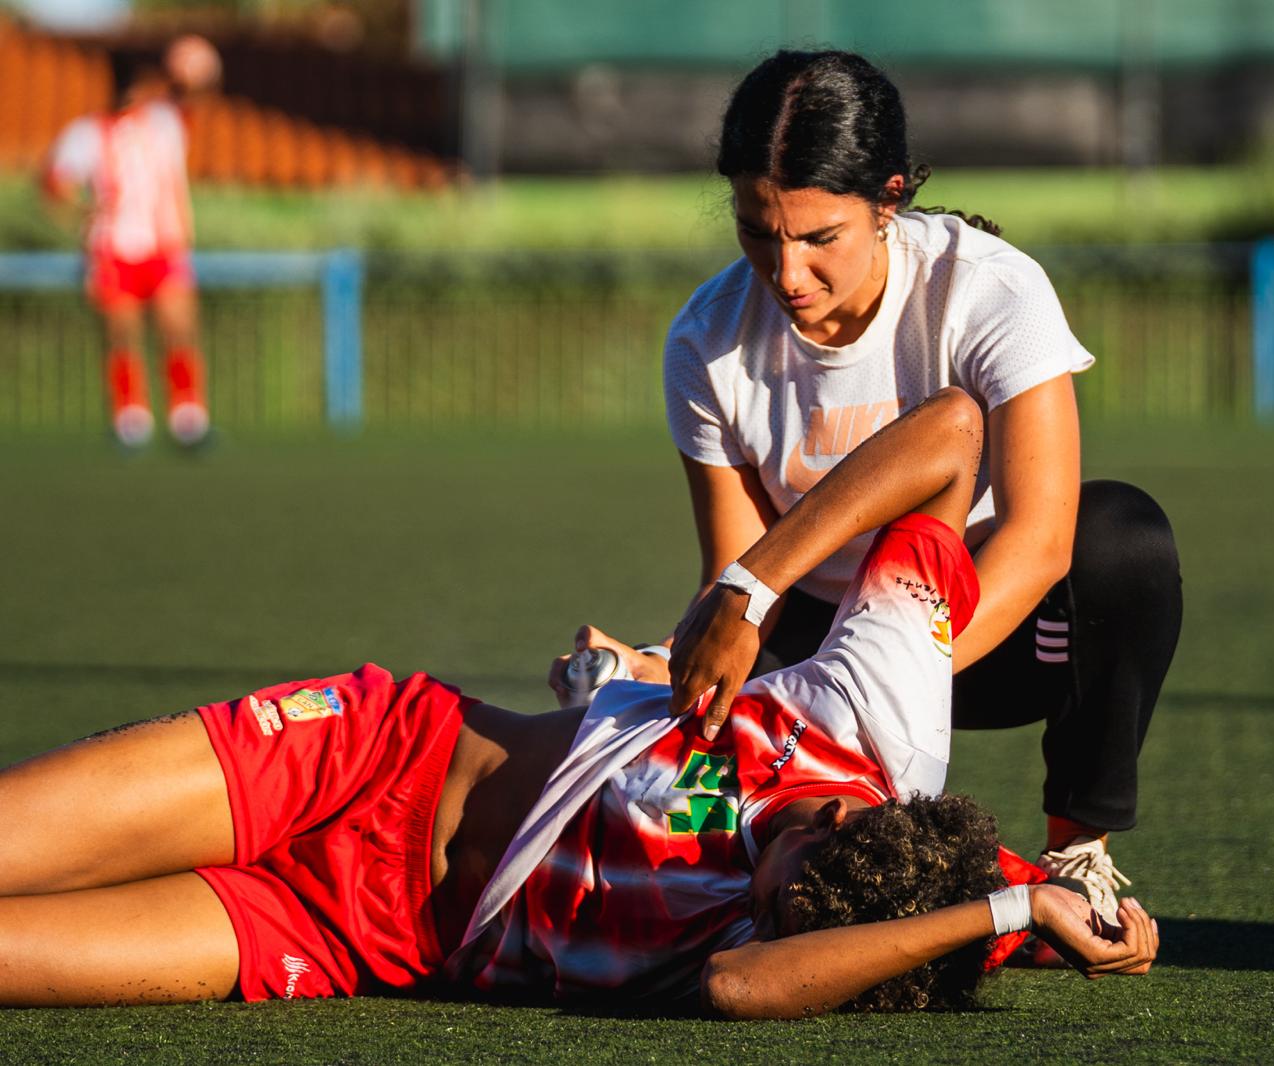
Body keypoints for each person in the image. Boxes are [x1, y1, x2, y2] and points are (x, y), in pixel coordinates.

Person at [0, 389, 1156, 1014]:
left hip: (346, 931)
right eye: (799, 838)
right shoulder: (877, 729)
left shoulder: (815, 937)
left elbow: (739, 981)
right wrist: (750, 587)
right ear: (861, 812)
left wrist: (1010, 920)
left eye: (777, 898)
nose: (765, 858)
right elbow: (954, 434)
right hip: (366, 757)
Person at [550, 49, 1184, 923]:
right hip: (809, 636)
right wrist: (714, 661)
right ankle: (638, 683)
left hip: (983, 629)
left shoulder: (992, 290)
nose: (786, 275)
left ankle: (1077, 849)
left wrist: (888, 675)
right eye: (756, 232)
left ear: (888, 199)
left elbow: (1039, 541)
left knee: (1123, 539)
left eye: (819, 239)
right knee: (676, 777)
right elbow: (740, 574)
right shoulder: (705, 341)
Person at [40, 35, 220, 450]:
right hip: (113, 249)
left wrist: (197, 68)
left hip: (164, 246)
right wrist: (82, 212)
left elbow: (198, 99)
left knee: (179, 328)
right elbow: (56, 181)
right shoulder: (88, 132)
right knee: (123, 334)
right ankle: (130, 418)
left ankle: (188, 416)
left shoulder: (165, 123)